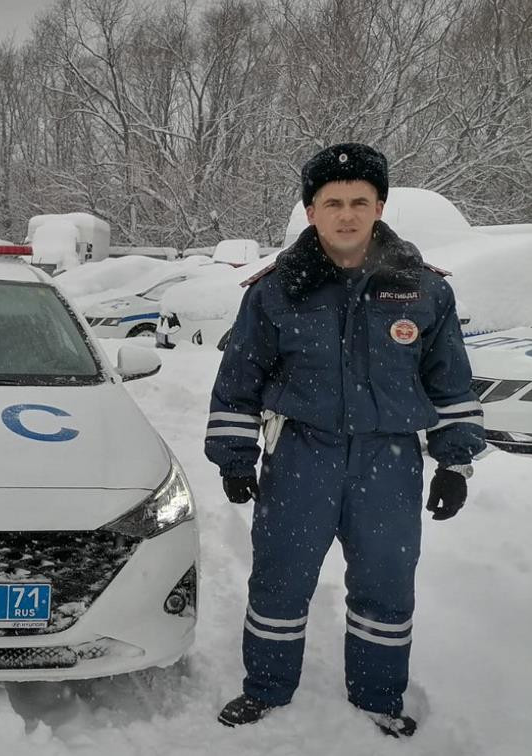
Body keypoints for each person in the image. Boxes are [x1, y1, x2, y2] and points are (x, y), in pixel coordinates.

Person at [204, 143, 484, 738]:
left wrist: (454, 463)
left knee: (386, 582)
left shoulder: (423, 290)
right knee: (280, 579)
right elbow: (239, 382)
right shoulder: (275, 290)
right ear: (311, 211)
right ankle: (267, 690)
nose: (347, 214)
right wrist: (235, 456)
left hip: (390, 460)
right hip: (302, 455)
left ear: (380, 206)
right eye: (332, 202)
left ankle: (380, 695)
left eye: (360, 200)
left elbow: (450, 381)